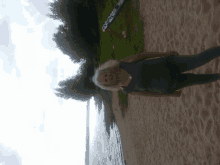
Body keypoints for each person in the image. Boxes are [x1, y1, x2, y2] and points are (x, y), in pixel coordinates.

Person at [92, 46, 220, 96]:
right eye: (106, 80)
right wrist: (169, 94)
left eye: (105, 75)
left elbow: (143, 55)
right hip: (170, 84)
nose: (108, 77)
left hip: (169, 64)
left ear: (107, 70)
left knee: (198, 59)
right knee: (197, 79)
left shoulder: (123, 63)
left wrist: (164, 53)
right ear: (108, 85)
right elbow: (149, 94)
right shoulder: (127, 89)